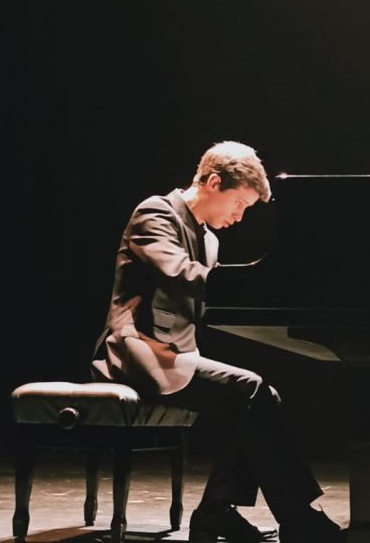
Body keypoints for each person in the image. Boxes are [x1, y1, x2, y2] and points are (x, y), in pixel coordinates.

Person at [90, 140, 342, 543]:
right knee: (252, 391)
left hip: (175, 355)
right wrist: (255, 284)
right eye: (238, 203)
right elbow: (178, 272)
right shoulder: (154, 212)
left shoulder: (210, 240)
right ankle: (296, 517)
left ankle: (217, 513)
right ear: (211, 182)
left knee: (257, 400)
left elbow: (206, 304)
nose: (239, 217)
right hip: (136, 352)